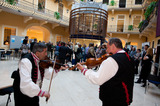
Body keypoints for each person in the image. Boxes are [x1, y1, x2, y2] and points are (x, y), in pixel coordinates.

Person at [76, 38, 135, 106]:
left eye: (107, 47)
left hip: (112, 100)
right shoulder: (130, 58)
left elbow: (98, 79)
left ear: (113, 46)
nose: (106, 50)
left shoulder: (112, 60)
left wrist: (84, 70)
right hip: (124, 98)